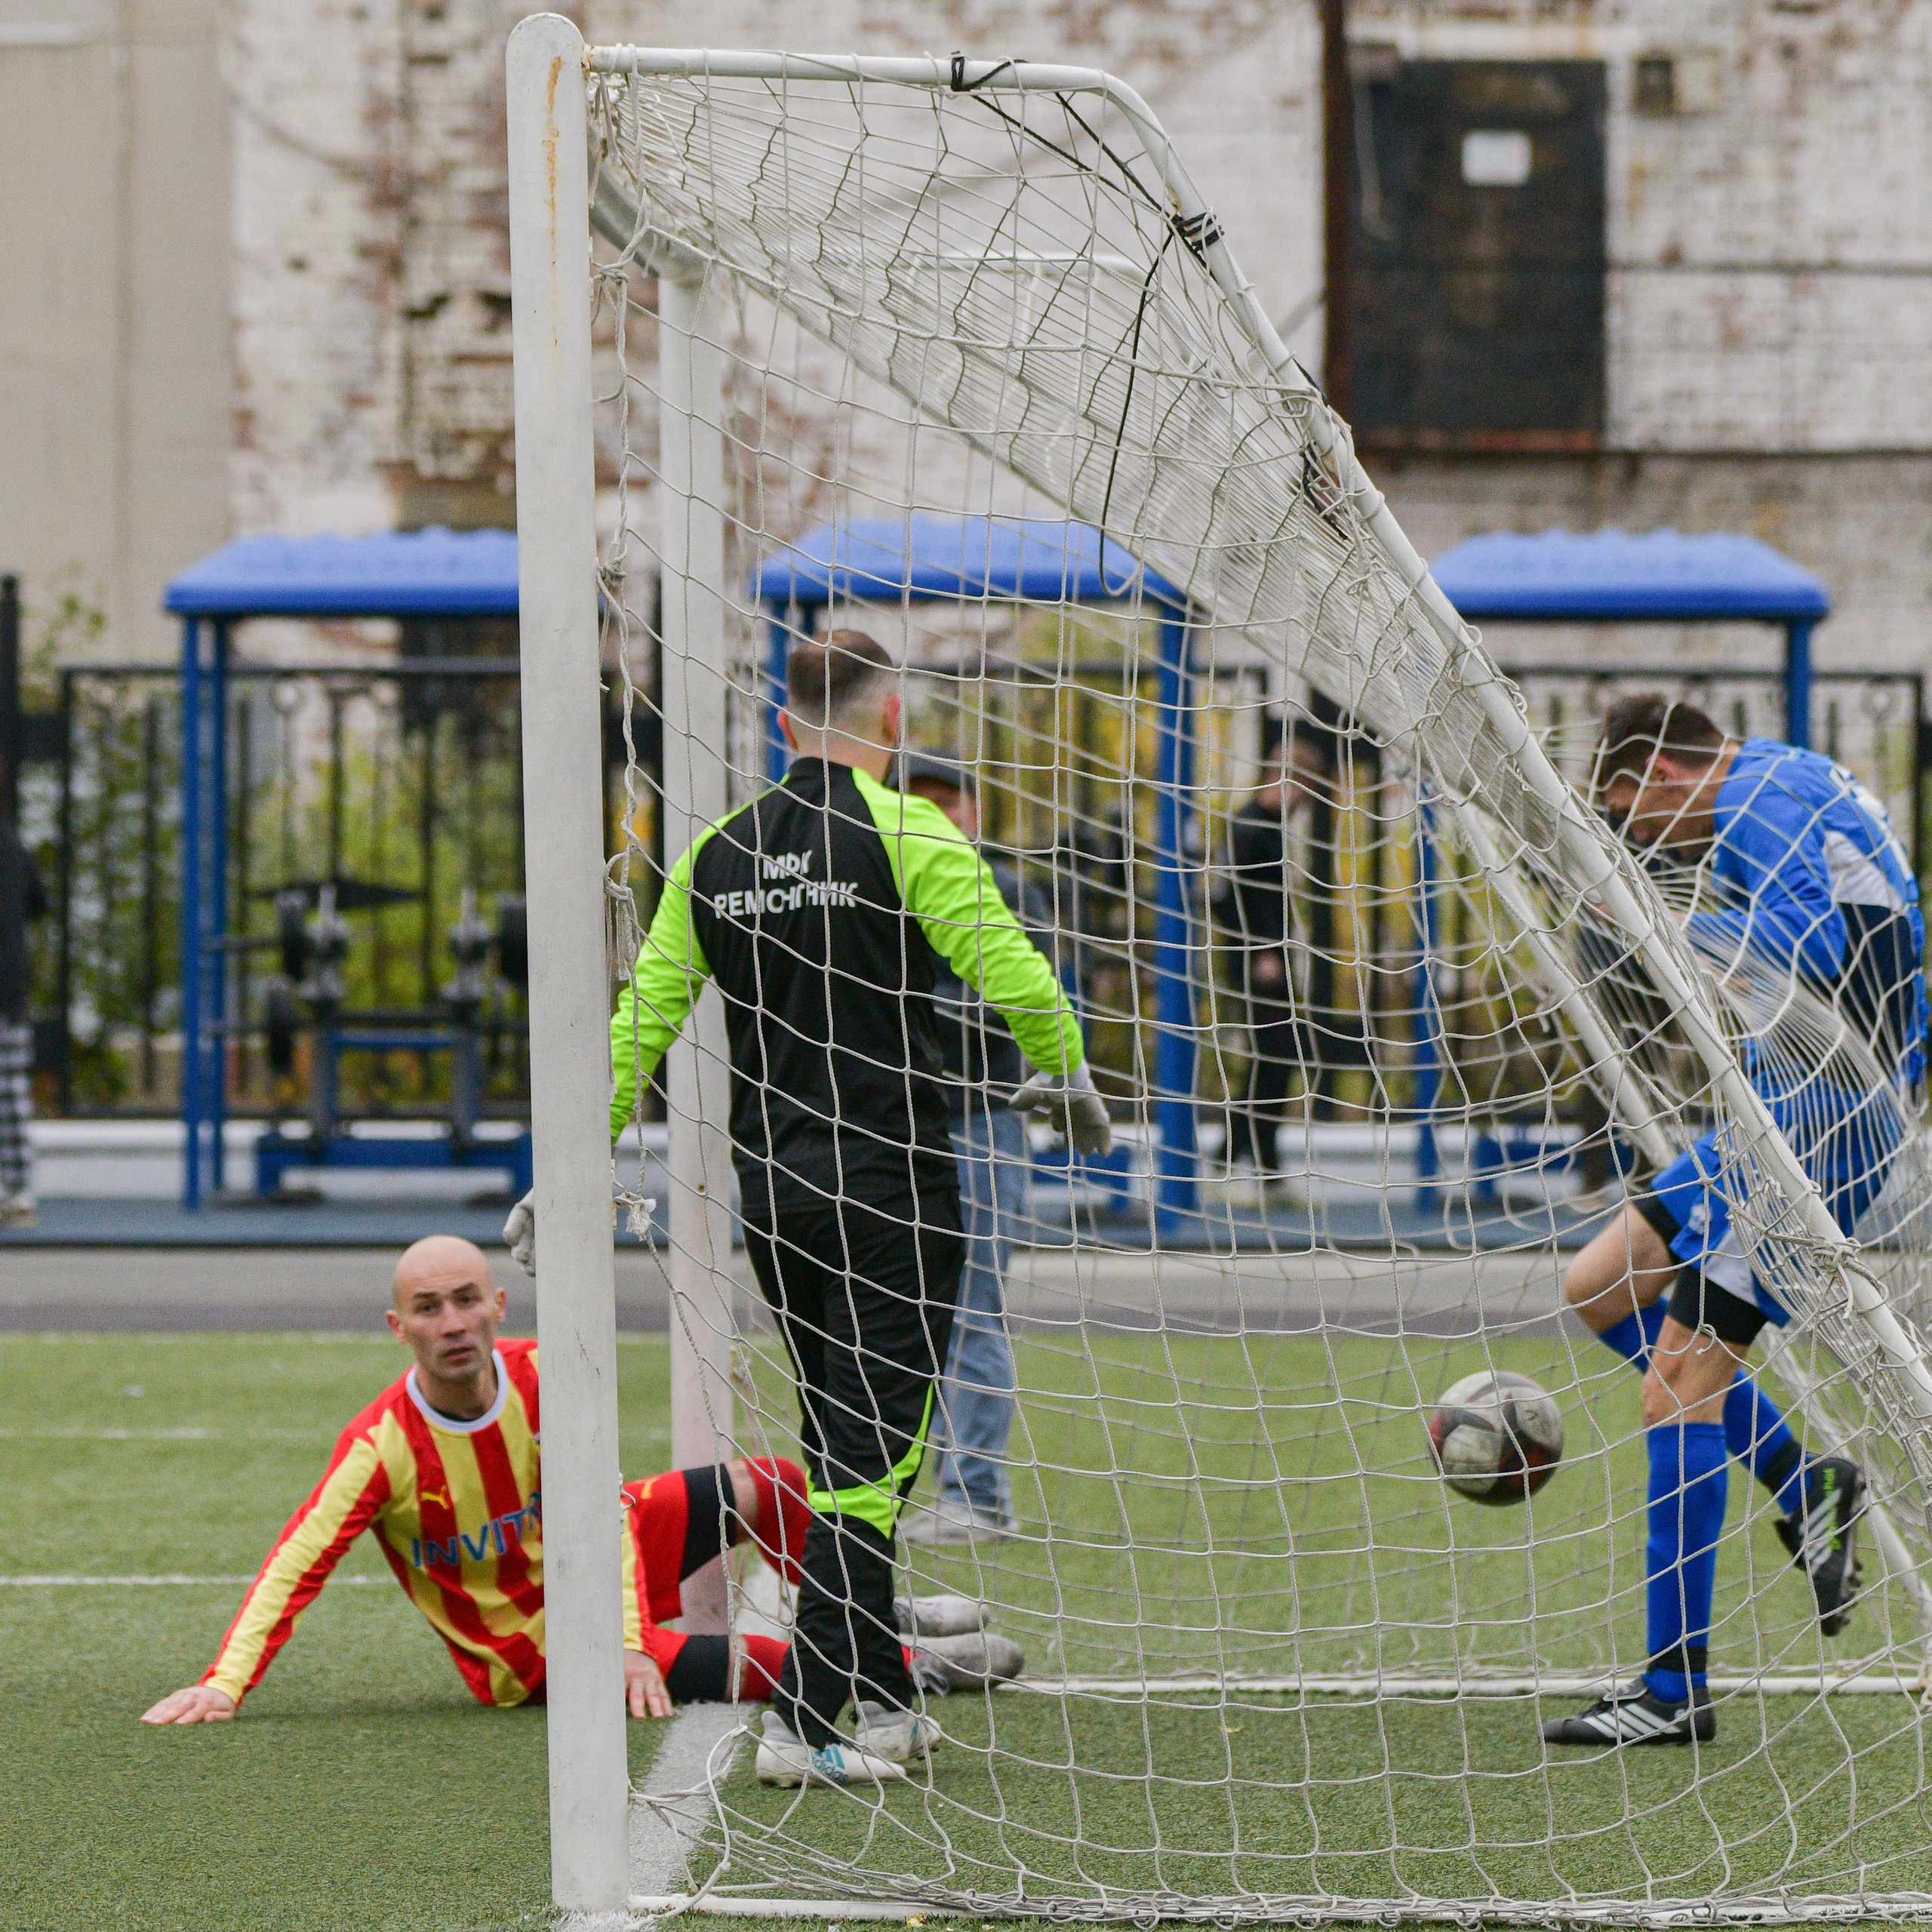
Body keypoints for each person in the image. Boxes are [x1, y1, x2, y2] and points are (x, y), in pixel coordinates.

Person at [592, 629, 1106, 1788]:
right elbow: (1020, 976)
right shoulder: (913, 830)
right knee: (875, 1454)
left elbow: (643, 1025)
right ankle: (804, 1723)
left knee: (841, 1439)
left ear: (782, 725)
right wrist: (1066, 1076)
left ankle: (876, 1684)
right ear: (890, 725)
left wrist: (567, 1160)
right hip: (891, 1184)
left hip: (774, 1192)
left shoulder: (717, 850)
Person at [139, 1235, 1010, 1728]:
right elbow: (297, 1562)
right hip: (541, 1650)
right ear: (397, 1326)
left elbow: (606, 1515)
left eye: (466, 1299)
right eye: (430, 1309)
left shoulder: (546, 1376)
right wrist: (226, 1681)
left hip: (612, 1572)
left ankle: (861, 1608)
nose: (453, 1323)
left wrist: (631, 1632)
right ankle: (905, 1665)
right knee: (777, 1667)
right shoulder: (378, 1449)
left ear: (497, 1304)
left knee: (780, 1481)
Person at [1545, 696, 1923, 1747]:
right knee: (1599, 1286)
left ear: (1665, 774)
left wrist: (1665, 926)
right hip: (1782, 1110)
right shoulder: (1787, 773)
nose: (1648, 842)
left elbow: (1807, 938)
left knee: (1678, 1381)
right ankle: (1803, 1480)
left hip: (1819, 1127)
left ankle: (1674, 1691)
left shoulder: (1755, 796)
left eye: (1637, 818)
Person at [891, 751, 1053, 1546]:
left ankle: (977, 1496)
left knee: (971, 1312)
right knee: (906, 1315)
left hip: (980, 1125)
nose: (941, 816)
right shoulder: (883, 893)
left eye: (951, 801)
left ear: (975, 813)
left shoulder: (1007, 893)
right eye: (924, 803)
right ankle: (937, 1488)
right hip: (901, 1125)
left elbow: (1013, 1002)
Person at [1217, 721, 1324, 1195]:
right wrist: (1261, 949)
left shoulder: (1259, 826)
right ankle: (1254, 1162)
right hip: (1260, 965)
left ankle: (1242, 1157)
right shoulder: (1251, 830)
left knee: (1274, 1059)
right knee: (1272, 1059)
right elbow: (1232, 898)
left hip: (1267, 960)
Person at [0, 806, 45, 1226]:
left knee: (10, 1094)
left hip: (8, 987)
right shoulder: (13, 845)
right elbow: (38, 902)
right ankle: (18, 1187)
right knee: (11, 1094)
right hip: (10, 987)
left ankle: (14, 1187)